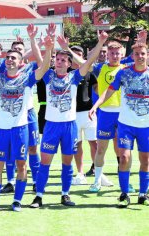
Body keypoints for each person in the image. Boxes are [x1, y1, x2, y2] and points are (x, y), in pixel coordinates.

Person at [0, 30, 51, 213]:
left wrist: (49, 47)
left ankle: (17, 201)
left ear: (21, 62)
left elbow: (44, 67)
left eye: (14, 58)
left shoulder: (27, 78)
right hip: (1, 130)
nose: (10, 60)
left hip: (20, 129)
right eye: (8, 58)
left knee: (21, 165)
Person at [29, 30, 108, 208]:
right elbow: (40, 60)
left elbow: (89, 61)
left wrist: (101, 42)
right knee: (45, 162)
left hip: (69, 127)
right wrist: (43, 45)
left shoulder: (74, 77)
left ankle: (65, 194)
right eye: (57, 59)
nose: (59, 62)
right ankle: (39, 196)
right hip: (51, 126)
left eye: (63, 60)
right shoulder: (48, 76)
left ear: (69, 63)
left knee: (67, 162)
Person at [89, 41, 149, 208]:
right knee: (124, 157)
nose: (140, 57)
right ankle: (124, 193)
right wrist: (95, 106)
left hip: (145, 126)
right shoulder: (123, 73)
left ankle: (143, 193)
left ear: (147, 55)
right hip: (126, 125)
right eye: (137, 54)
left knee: (145, 160)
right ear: (132, 56)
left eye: (143, 54)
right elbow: (107, 92)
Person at [55, 40, 98, 185]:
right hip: (72, 115)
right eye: (73, 55)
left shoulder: (88, 72)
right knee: (77, 145)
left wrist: (98, 106)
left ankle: (98, 173)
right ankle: (80, 173)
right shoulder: (64, 74)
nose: (76, 57)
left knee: (94, 143)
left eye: (79, 54)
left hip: (88, 113)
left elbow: (97, 89)